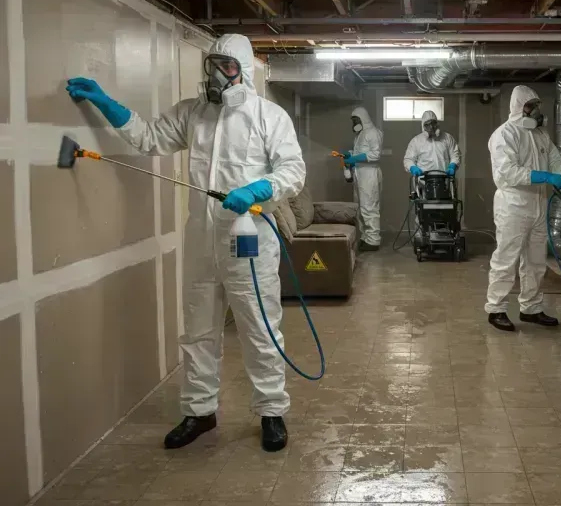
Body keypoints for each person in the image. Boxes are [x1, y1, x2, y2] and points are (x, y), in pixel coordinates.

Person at [65, 34, 305, 452]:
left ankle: (271, 411)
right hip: (200, 238)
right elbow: (148, 138)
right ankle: (200, 411)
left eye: (226, 66)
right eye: (212, 65)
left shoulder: (270, 116)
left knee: (259, 329)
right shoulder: (192, 114)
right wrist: (107, 104)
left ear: (243, 71)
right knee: (197, 331)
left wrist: (258, 188)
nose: (216, 75)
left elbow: (293, 170)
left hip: (248, 238)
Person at [485, 85, 561, 332]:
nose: (536, 111)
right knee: (506, 258)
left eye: (537, 106)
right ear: (519, 107)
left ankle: (530, 308)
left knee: (535, 261)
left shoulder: (541, 135)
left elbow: (555, 160)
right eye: (530, 106)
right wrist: (544, 176)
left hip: (538, 204)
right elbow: (507, 172)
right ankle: (496, 308)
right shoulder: (504, 134)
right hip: (513, 205)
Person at [341, 107, 383, 251]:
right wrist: (350, 155)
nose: (354, 123)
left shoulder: (373, 133)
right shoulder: (359, 135)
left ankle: (374, 240)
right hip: (360, 173)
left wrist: (354, 158)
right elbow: (361, 152)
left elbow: (375, 154)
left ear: (363, 119)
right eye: (353, 121)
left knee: (369, 206)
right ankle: (366, 237)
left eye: (356, 120)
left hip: (369, 174)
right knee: (360, 207)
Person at [403, 110, 461, 178]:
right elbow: (408, 159)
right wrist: (412, 167)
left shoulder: (447, 138)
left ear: (437, 124)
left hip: (444, 179)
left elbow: (455, 154)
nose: (431, 127)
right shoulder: (416, 141)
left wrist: (452, 166)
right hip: (424, 181)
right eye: (427, 124)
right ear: (423, 126)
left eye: (433, 123)